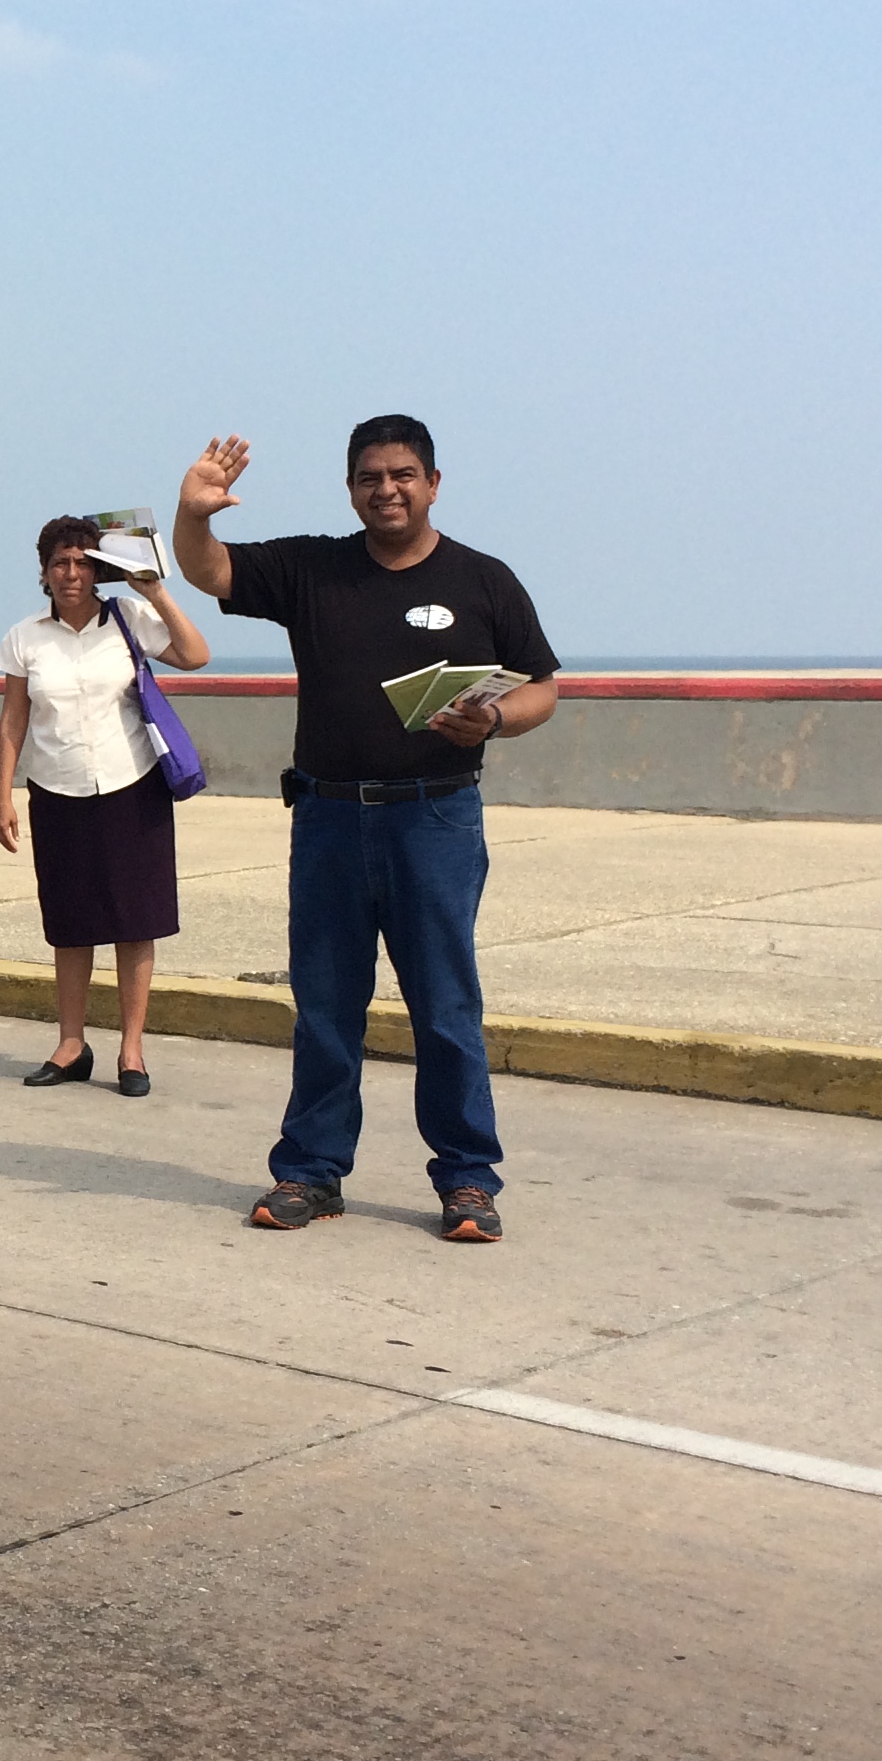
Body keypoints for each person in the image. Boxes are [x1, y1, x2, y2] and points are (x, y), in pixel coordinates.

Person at [172, 415, 559, 1244]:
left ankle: (467, 1179)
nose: (387, 490)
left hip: (436, 816)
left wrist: (493, 720)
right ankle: (311, 1172)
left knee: (445, 1007)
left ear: (433, 484)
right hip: (329, 817)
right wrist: (194, 514)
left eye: (403, 475)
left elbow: (543, 688)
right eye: (370, 478)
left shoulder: (484, 580)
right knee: (325, 1006)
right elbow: (212, 572)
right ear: (350, 489)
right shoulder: (313, 568)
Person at [0, 517, 212, 1098]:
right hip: (56, 790)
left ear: (99, 569)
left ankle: (131, 1050)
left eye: (84, 563)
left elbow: (195, 655)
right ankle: (71, 1045)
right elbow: (14, 719)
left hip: (132, 784)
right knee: (71, 924)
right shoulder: (24, 637)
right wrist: (2, 796)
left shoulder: (129, 618)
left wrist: (153, 590)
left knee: (136, 922)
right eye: (60, 563)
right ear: (44, 571)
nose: (72, 574)